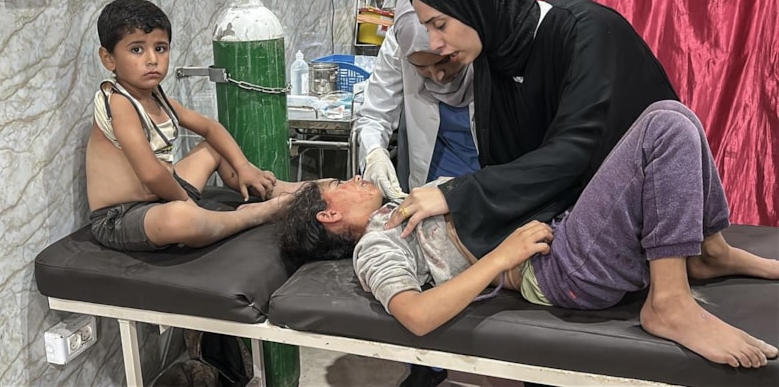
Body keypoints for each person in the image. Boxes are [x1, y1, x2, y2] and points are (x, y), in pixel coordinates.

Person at [278, 101, 779, 369]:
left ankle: (709, 252)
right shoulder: (375, 244)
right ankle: (669, 303)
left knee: (676, 116)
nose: (354, 178)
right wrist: (502, 256)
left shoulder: (397, 203)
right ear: (329, 216)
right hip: (555, 270)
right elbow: (415, 315)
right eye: (339, 184)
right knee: (663, 126)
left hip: (559, 234)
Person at [384, 0, 681, 259]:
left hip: (655, 220)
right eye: (428, 29)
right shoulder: (493, 57)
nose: (435, 44)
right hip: (580, 219)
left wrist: (455, 195)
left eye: (440, 25)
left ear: (476, 3)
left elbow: (576, 153)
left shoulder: (587, 31)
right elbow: (505, 161)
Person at [86, 0, 297, 251]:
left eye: (160, 48)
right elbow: (151, 174)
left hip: (162, 195)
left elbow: (211, 128)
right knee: (181, 218)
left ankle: (281, 191)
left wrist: (244, 168)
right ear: (108, 58)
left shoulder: (157, 97)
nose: (152, 59)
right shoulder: (119, 103)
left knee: (215, 147)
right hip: (121, 216)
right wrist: (186, 202)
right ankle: (252, 215)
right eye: (137, 50)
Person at [356, 0, 477, 204]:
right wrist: (374, 153)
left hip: (490, 188)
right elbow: (375, 115)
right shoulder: (401, 40)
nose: (437, 75)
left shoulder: (482, 41)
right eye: (421, 67)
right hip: (429, 192)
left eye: (444, 59)